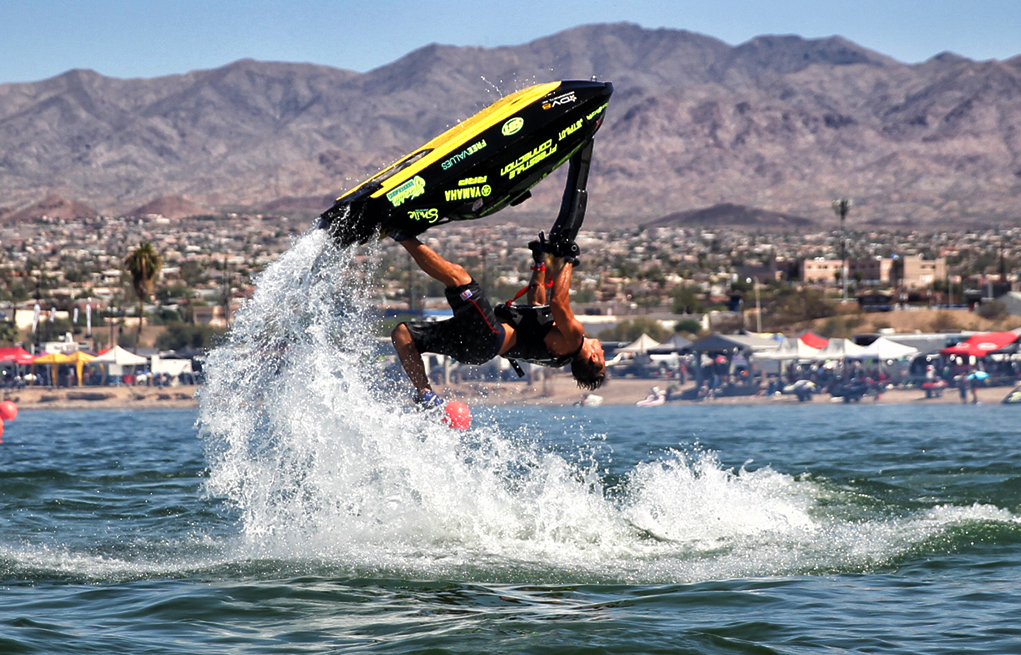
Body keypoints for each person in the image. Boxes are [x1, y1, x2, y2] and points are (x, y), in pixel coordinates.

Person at [390, 233, 605, 407]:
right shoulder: (561, 353)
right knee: (403, 334)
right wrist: (540, 263)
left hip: (487, 336)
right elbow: (537, 305)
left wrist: (568, 261)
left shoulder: (575, 340)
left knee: (458, 277)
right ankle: (425, 393)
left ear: (593, 358)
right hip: (476, 350)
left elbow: (558, 301)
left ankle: (400, 232)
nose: (603, 349)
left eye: (603, 357)